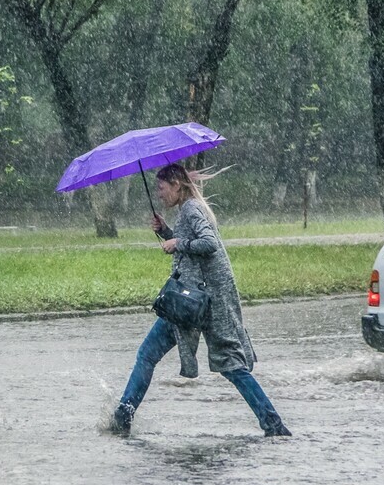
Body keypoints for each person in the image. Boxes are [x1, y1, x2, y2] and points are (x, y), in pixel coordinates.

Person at [110, 163, 291, 437]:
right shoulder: (190, 209)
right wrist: (167, 232)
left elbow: (208, 243)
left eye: (161, 188)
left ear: (176, 185)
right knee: (228, 367)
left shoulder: (192, 208)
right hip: (195, 302)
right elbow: (193, 246)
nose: (159, 194)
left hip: (194, 304)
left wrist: (176, 244)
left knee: (224, 366)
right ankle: (272, 424)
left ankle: (124, 416)